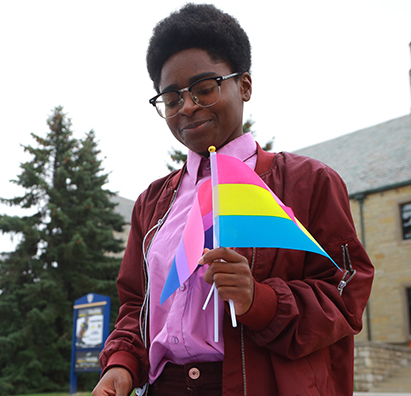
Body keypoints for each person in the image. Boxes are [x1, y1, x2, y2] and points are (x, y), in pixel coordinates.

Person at [93, 4, 374, 395]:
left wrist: (259, 300)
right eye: (172, 99)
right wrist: (121, 366)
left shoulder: (308, 182)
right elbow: (136, 306)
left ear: (244, 85)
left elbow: (345, 294)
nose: (187, 107)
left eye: (204, 88)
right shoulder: (151, 204)